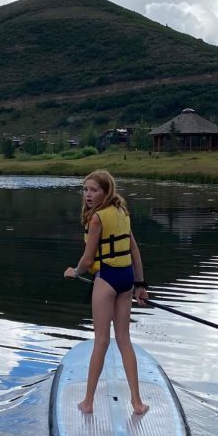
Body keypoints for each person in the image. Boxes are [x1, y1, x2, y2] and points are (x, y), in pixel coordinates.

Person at [63, 170, 150, 415]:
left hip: (107, 279)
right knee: (124, 339)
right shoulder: (123, 213)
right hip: (126, 280)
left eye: (94, 190)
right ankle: (137, 402)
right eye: (85, 190)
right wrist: (140, 284)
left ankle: (88, 402)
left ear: (106, 191)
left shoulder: (97, 219)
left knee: (101, 340)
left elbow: (88, 258)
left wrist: (74, 272)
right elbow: (134, 253)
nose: (88, 195)